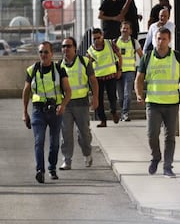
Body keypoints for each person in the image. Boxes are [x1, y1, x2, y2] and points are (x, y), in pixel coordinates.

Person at [134, 27, 180, 178]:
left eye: (164, 39)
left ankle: (168, 166)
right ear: (155, 39)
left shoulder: (177, 57)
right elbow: (139, 79)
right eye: (158, 38)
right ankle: (156, 157)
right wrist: (139, 94)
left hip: (172, 104)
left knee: (170, 137)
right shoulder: (147, 57)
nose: (161, 42)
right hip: (153, 103)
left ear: (169, 40)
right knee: (151, 134)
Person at [22, 41, 72, 183]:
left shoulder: (59, 69)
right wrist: (24, 112)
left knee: (54, 142)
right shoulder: (32, 70)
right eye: (41, 52)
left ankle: (52, 168)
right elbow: (26, 92)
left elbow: (68, 91)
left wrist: (62, 105)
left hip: (55, 111)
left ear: (52, 54)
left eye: (46, 52)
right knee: (39, 141)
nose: (43, 55)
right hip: (38, 110)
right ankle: (40, 170)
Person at [59, 37, 99, 170]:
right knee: (66, 134)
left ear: (75, 48)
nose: (66, 49)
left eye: (69, 46)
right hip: (66, 105)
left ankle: (87, 154)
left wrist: (95, 97)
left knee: (84, 134)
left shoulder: (84, 62)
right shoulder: (59, 65)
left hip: (81, 104)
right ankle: (67, 160)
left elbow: (93, 81)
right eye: (64, 46)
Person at [87, 28, 122, 128]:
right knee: (98, 99)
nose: (96, 40)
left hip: (111, 76)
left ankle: (114, 111)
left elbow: (119, 56)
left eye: (98, 37)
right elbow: (88, 65)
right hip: (98, 78)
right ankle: (102, 120)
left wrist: (119, 69)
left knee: (112, 96)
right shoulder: (90, 51)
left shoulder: (110, 44)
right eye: (94, 39)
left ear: (102, 35)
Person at [116, 21, 143, 122]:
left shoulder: (134, 42)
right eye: (123, 28)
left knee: (127, 94)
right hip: (118, 72)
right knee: (120, 96)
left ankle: (125, 113)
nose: (125, 30)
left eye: (127, 28)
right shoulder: (115, 42)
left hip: (130, 71)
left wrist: (142, 68)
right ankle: (123, 111)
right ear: (120, 29)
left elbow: (141, 55)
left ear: (130, 31)